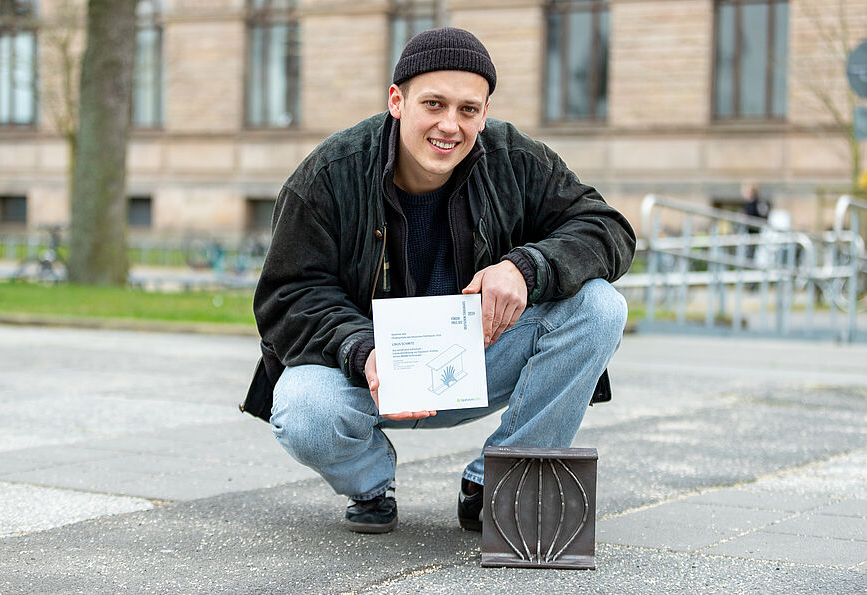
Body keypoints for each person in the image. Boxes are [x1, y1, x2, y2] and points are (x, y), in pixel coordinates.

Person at [242, 27, 636, 534]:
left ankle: (501, 479)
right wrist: (361, 351)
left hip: (476, 356)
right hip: (368, 374)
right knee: (303, 410)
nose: (450, 125)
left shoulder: (516, 159)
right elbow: (288, 296)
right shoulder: (327, 176)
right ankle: (370, 483)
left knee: (600, 307)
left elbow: (608, 228)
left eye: (468, 109)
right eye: (434, 103)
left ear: (485, 113)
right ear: (397, 101)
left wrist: (525, 266)